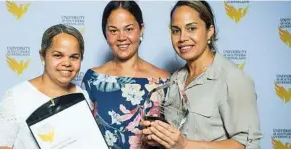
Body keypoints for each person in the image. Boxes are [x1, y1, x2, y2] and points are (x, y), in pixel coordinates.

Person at [141, 0, 263, 149]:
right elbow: (177, 138)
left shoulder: (233, 79)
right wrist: (160, 137)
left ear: (209, 31)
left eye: (191, 28)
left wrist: (185, 145)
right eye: (176, 30)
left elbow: (246, 145)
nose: (182, 38)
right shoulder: (176, 79)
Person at [0, 24, 91, 149]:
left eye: (74, 57)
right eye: (58, 55)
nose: (67, 63)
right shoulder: (15, 98)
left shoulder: (83, 96)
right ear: (43, 56)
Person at [81, 0, 170, 149]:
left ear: (141, 29)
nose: (121, 37)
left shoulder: (163, 80)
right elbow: (82, 133)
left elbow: (176, 136)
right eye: (113, 31)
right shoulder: (92, 79)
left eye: (128, 29)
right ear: (105, 33)